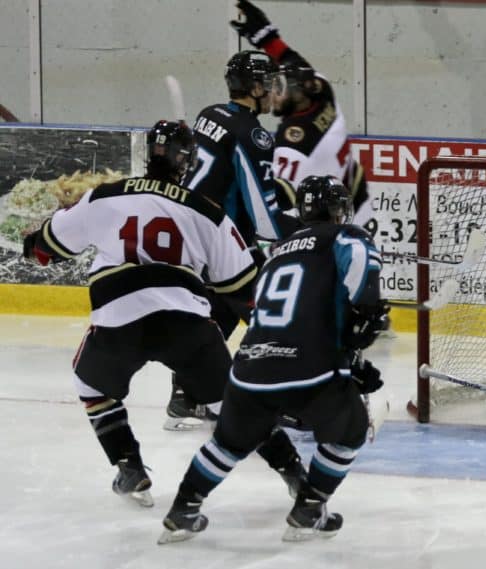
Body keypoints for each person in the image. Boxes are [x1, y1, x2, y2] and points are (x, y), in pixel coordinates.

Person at [20, 119, 304, 507]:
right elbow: (241, 289)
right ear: (187, 162)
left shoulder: (104, 195)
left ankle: (129, 466)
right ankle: (297, 475)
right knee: (237, 409)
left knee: (92, 385)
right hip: (186, 319)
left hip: (119, 314)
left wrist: (33, 244)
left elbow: (50, 245)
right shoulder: (208, 212)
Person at [159, 175, 389, 544]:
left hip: (250, 367)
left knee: (226, 444)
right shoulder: (346, 237)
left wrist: (353, 360)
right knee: (350, 432)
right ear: (336, 209)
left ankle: (183, 509)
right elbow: (361, 270)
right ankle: (309, 509)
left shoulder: (274, 251)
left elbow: (288, 312)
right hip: (309, 370)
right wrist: (370, 313)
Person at [163, 48, 303, 427]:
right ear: (254, 86)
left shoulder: (210, 114)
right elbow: (263, 216)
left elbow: (223, 176)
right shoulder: (252, 134)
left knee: (217, 314)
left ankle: (187, 395)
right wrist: (295, 232)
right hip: (222, 241)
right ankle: (259, 398)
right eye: (269, 83)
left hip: (191, 234)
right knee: (274, 317)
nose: (275, 90)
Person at [229, 0, 371, 225]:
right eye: (275, 84)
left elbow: (279, 199)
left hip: (330, 224)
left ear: (302, 94)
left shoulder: (292, 142)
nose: (273, 93)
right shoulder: (323, 94)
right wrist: (268, 39)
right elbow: (293, 62)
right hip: (355, 198)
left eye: (281, 88)